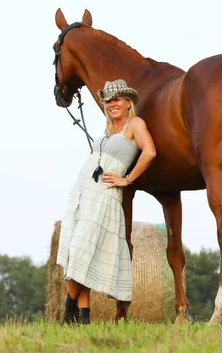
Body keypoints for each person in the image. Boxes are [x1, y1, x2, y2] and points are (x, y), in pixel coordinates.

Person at [56, 79, 157, 325]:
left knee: (82, 250)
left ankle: (67, 314)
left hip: (104, 196)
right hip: (83, 192)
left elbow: (150, 151)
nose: (111, 104)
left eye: (116, 100)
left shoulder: (135, 124)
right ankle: (82, 321)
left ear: (127, 103)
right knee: (78, 254)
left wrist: (127, 179)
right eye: (108, 101)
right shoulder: (108, 131)